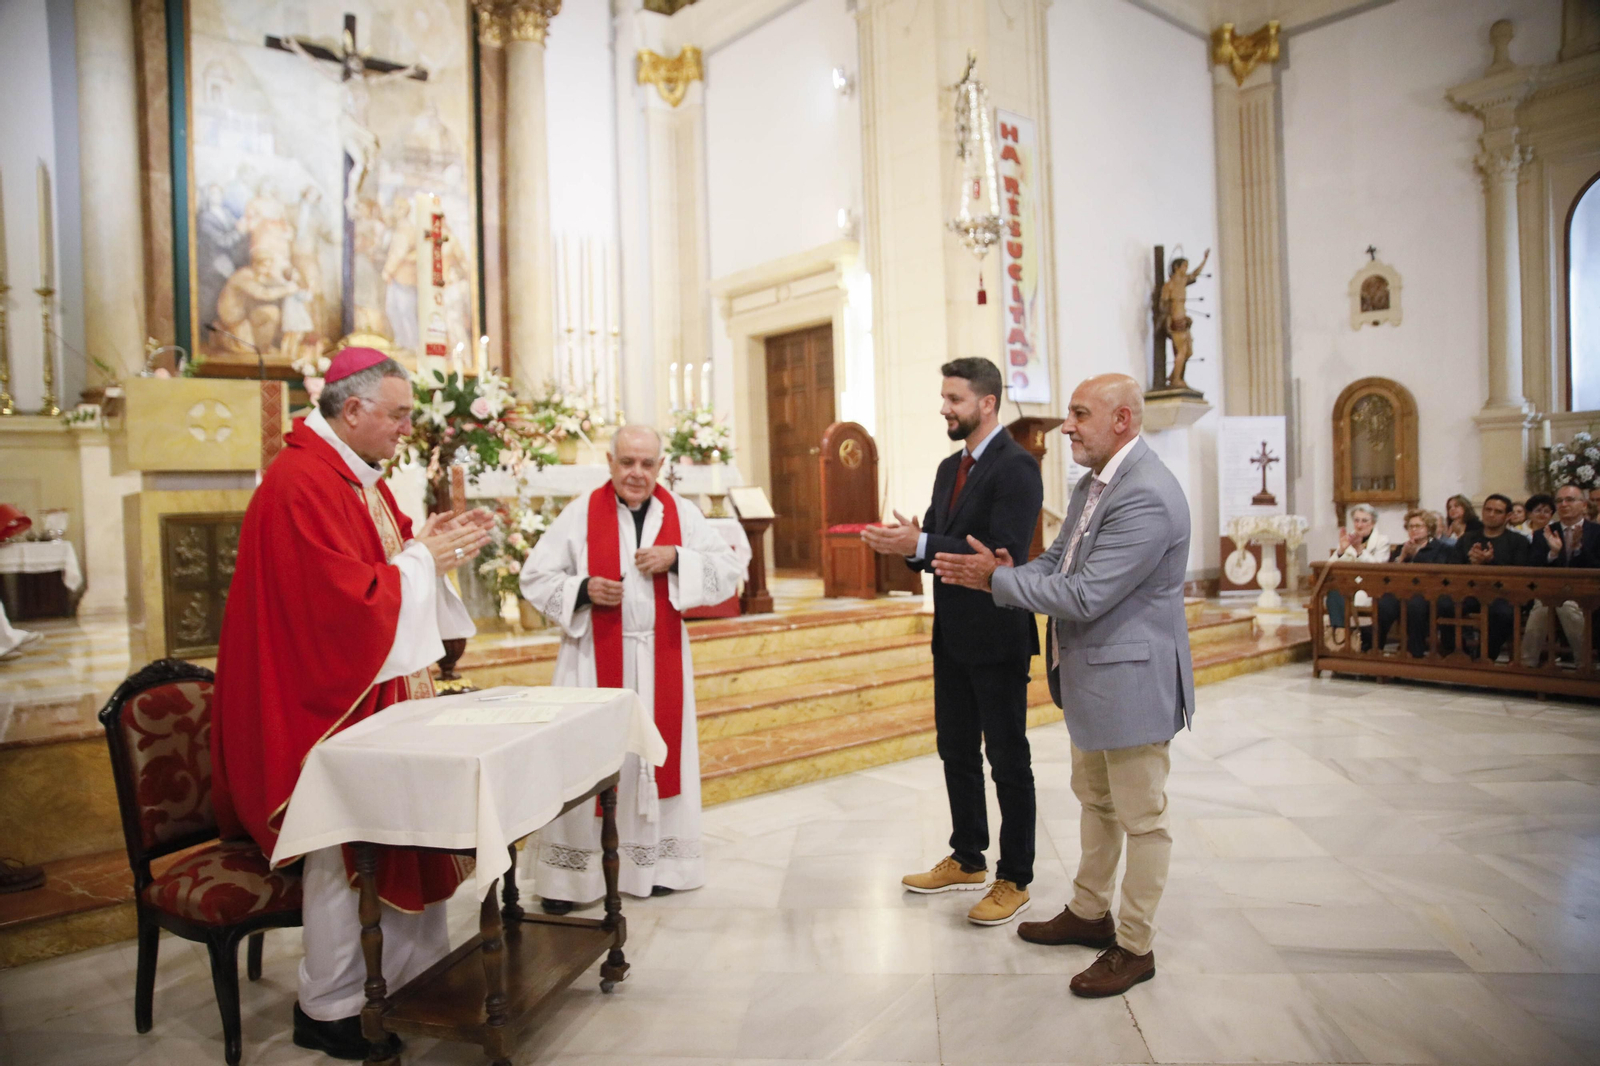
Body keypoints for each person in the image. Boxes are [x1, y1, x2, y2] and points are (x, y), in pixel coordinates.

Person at [211, 347, 491, 1061]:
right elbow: (340, 607)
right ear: (354, 408)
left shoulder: (354, 477)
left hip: (370, 690)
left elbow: (385, 575)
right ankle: (330, 1005)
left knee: (397, 830)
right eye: (397, 414)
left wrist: (430, 554)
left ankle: (399, 980)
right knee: (349, 844)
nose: (406, 428)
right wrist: (424, 558)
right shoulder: (302, 482)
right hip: (321, 704)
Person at [931, 373, 1192, 998]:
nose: (1066, 426)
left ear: (1123, 420)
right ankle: (1089, 911)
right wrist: (1008, 569)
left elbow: (1085, 593)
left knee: (1141, 816)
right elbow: (1056, 562)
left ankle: (1134, 946)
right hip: (1093, 677)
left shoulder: (1146, 495)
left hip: (1130, 681)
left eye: (1079, 414)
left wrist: (992, 582)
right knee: (1095, 801)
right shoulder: (1093, 483)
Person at [519, 425, 743, 909]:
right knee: (586, 761)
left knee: (652, 760)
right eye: (627, 462)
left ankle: (657, 864)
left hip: (659, 656)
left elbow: (728, 571)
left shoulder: (681, 512)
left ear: (661, 466)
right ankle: (571, 880)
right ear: (610, 461)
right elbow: (534, 576)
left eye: (646, 464)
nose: (636, 473)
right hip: (591, 662)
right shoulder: (580, 512)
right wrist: (583, 590)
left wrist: (678, 558)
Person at [862, 357, 1043, 927]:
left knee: (1008, 760)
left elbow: (1000, 552)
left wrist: (921, 543)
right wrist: (910, 540)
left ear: (986, 404)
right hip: (953, 634)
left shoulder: (1017, 467)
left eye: (955, 399)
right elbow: (943, 544)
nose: (945, 408)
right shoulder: (948, 467)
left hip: (998, 632)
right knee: (956, 752)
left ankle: (1014, 877)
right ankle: (968, 857)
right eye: (944, 397)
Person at [1520, 483, 1600, 667]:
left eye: (1570, 499)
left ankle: (1585, 665)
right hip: (1551, 592)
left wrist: (1579, 548)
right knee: (1542, 607)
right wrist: (1553, 554)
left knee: (1567, 606)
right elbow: (1532, 567)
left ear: (1584, 505)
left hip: (1588, 594)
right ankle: (1526, 666)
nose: (1563, 504)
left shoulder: (1596, 532)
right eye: (1559, 501)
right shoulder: (1544, 533)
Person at [1455, 493, 1530, 661]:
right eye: (1487, 510)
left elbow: (1520, 573)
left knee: (1503, 613)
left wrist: (1490, 562)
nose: (1491, 514)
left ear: (1508, 516)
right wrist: (1472, 565)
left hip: (1503, 595)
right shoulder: (1467, 539)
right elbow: (1451, 568)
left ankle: (1484, 657)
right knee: (1443, 604)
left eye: (1497, 511)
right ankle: (1458, 654)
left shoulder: (1518, 542)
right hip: (1469, 592)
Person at [1375, 509, 1456, 656]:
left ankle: (1415, 652)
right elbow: (1389, 573)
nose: (1414, 529)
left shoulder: (1442, 548)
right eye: (1411, 526)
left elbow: (1435, 574)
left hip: (1429, 593)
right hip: (1401, 590)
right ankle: (1375, 648)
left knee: (1415, 605)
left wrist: (1417, 555)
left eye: (1418, 526)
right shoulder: (1402, 548)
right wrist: (1403, 556)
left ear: (1429, 528)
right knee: (1384, 604)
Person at [1324, 503, 1390, 647]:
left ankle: (1351, 641)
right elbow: (1329, 568)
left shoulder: (1381, 541)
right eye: (1356, 520)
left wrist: (1359, 550)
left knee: (1341, 594)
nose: (1359, 525)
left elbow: (1378, 568)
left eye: (1364, 521)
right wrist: (1341, 550)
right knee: (1334, 593)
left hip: (1369, 589)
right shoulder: (1347, 540)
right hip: (1347, 586)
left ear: (1373, 523)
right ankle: (1342, 638)